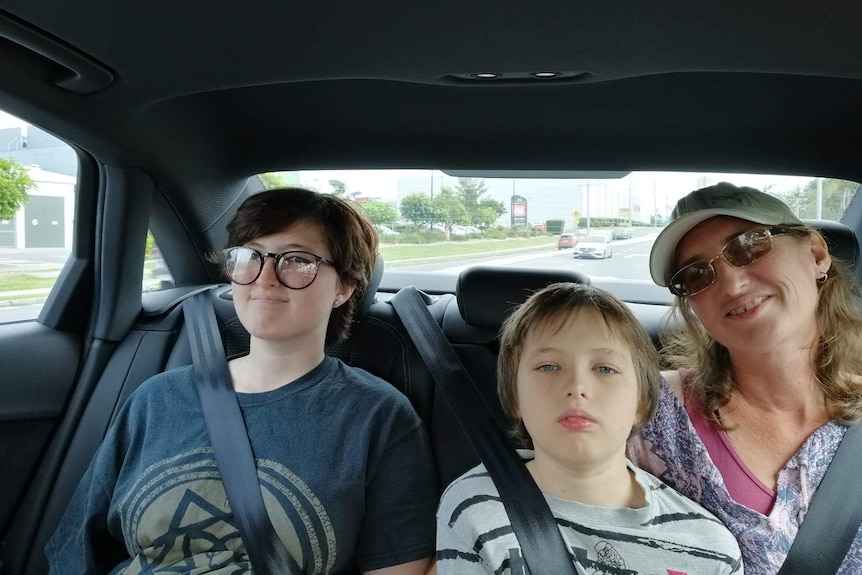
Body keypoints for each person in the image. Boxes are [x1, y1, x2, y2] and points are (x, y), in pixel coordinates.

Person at [47, 187, 438, 574]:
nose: (265, 278)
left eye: (297, 260)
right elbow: (77, 551)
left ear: (344, 287)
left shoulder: (379, 416)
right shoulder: (156, 399)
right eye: (249, 256)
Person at [627, 182, 862, 575]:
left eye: (749, 246)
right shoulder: (646, 411)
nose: (732, 284)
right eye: (697, 275)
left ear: (816, 253)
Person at [436, 282, 744, 574]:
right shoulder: (474, 507)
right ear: (514, 397)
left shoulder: (710, 550)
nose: (577, 387)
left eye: (605, 369)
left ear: (641, 402)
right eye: (548, 367)